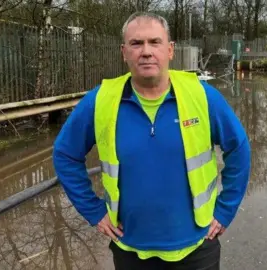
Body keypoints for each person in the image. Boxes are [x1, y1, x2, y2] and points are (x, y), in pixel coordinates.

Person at [52, 12, 251, 270]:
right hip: (130, 249)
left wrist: (225, 211)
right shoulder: (100, 100)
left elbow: (239, 148)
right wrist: (94, 212)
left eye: (154, 42)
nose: (146, 52)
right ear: (124, 52)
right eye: (136, 44)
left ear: (170, 50)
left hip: (197, 247)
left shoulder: (202, 96)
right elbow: (65, 155)